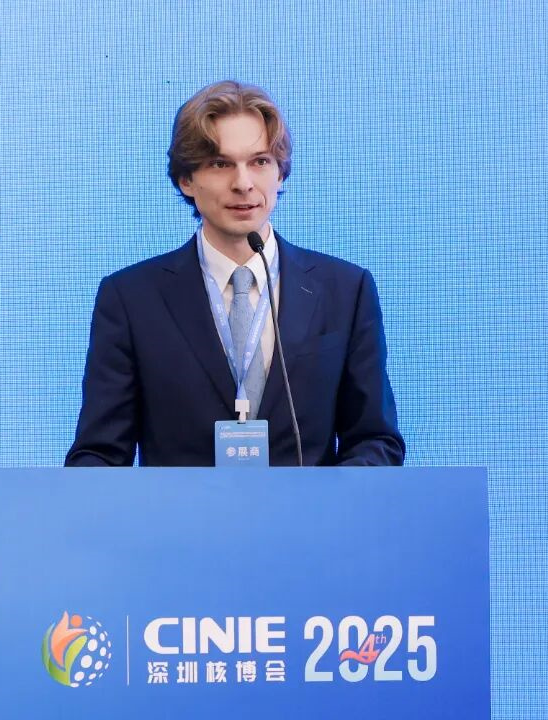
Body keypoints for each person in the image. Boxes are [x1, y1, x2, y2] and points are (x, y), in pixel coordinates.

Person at [65, 80, 404, 466]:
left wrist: (328, 499)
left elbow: (375, 440)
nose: (243, 184)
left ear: (280, 173)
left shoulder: (345, 290)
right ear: (186, 180)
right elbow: (99, 454)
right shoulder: (131, 298)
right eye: (220, 164)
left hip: (309, 508)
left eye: (260, 162)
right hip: (180, 508)